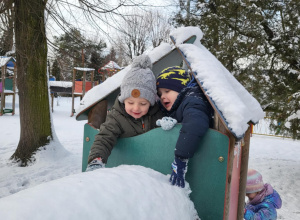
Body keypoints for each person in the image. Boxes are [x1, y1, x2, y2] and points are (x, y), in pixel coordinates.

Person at [86, 55, 163, 171]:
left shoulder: (157, 115)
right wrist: (96, 159)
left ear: (151, 102)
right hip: (125, 170)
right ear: (123, 100)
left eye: (143, 104)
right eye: (131, 102)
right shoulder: (117, 117)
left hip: (153, 169)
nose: (136, 108)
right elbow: (105, 137)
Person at [156, 66, 213, 188]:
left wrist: (181, 158)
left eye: (167, 91)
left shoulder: (193, 100)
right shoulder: (179, 105)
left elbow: (195, 124)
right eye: (160, 93)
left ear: (181, 89)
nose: (162, 96)